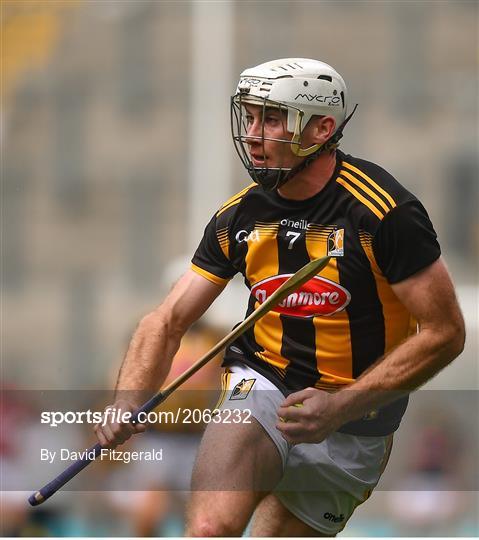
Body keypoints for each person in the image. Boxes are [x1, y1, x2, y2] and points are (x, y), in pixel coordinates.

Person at [94, 58, 465, 537]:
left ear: (321, 128)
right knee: (209, 528)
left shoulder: (384, 214)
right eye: (248, 117)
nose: (252, 133)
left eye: (270, 118)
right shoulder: (239, 216)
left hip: (357, 422)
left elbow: (446, 333)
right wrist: (126, 402)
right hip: (262, 383)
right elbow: (165, 321)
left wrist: (342, 405)